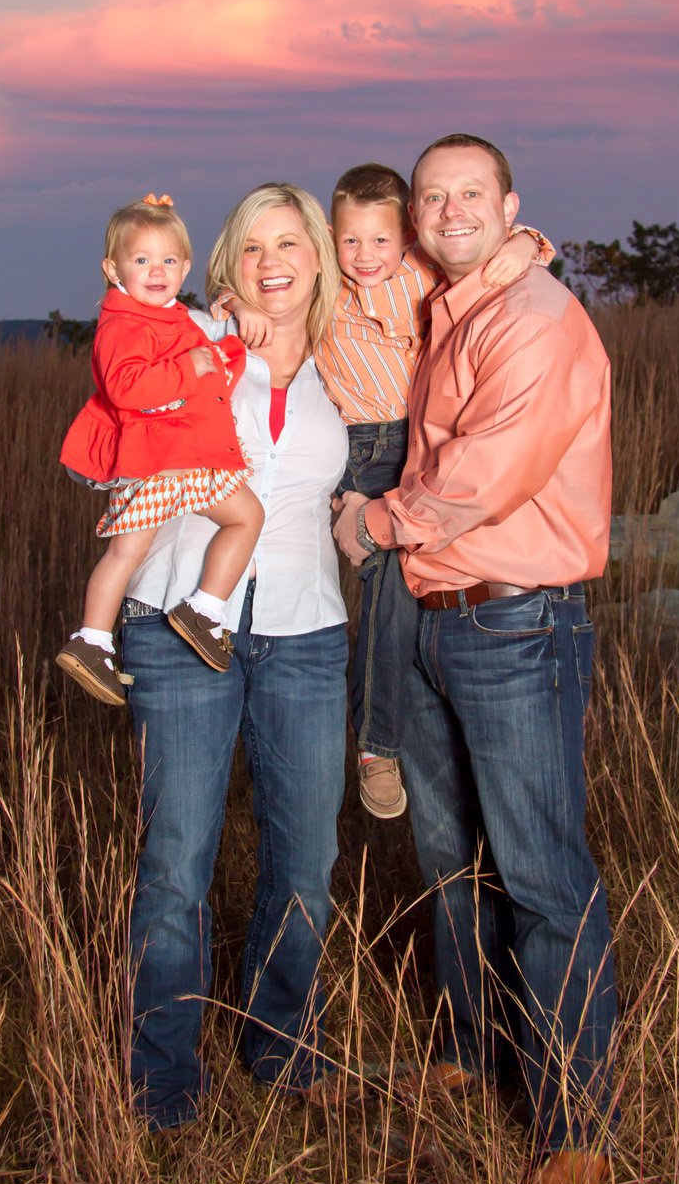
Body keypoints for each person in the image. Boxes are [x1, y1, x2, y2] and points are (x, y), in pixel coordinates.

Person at [334, 134, 618, 1184]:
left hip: (515, 624)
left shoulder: (536, 320)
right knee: (454, 860)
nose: (448, 210)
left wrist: (373, 521)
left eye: (469, 193)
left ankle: (579, 1127)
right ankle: (473, 1049)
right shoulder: (446, 308)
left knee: (542, 875)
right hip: (436, 618)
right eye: (431, 196)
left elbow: (485, 477)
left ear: (510, 204)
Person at [120, 183, 351, 1132]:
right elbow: (131, 337)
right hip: (181, 623)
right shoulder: (194, 342)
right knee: (178, 858)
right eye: (251, 246)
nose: (271, 261)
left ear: (319, 258)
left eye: (290, 242)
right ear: (227, 263)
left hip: (306, 630)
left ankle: (281, 1045)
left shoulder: (352, 364)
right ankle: (163, 1084)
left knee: (307, 858)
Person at [222, 163, 553, 820]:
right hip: (364, 448)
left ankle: (421, 706)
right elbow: (260, 289)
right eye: (350, 242)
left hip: (430, 436)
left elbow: (518, 249)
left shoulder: (425, 277)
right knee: (386, 577)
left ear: (405, 235)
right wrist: (234, 305)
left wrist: (520, 245)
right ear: (329, 241)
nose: (365, 258)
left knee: (424, 565)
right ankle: (374, 743)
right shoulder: (326, 294)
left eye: (380, 241)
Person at [57, 194, 264, 705]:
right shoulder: (122, 323)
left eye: (168, 260)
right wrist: (193, 366)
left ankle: (176, 618)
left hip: (184, 455)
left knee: (235, 521)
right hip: (159, 460)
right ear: (113, 269)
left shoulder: (176, 317)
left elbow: (208, 366)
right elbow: (127, 387)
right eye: (142, 260)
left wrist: (223, 351)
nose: (157, 271)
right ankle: (102, 636)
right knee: (135, 549)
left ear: (186, 266)